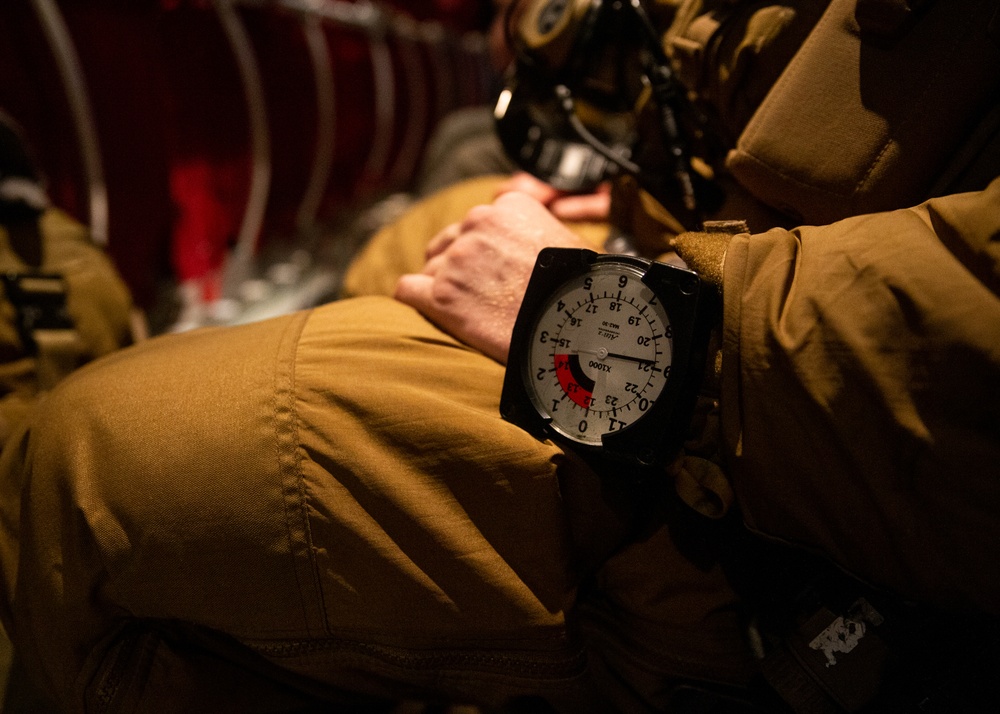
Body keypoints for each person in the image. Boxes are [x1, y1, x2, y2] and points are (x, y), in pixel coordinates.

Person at [1, 1, 999, 712]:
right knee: (418, 244)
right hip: (757, 352)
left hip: (800, 505)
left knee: (99, 470)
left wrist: (603, 312)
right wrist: (640, 213)